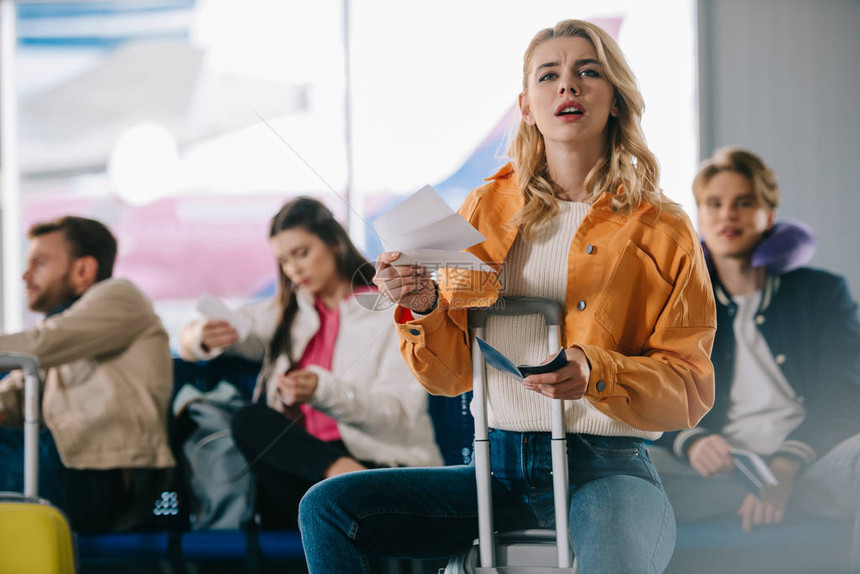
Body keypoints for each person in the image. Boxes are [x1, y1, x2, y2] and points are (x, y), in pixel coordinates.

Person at [297, 19, 716, 574]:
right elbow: (447, 378)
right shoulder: (482, 209)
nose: (568, 86)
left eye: (587, 72)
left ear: (615, 98)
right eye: (550, 76)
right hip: (497, 464)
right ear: (526, 105)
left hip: (608, 469)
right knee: (327, 509)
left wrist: (597, 371)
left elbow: (689, 389)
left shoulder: (663, 227)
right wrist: (424, 307)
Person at [650, 147, 860, 570]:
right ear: (700, 215)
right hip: (714, 466)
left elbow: (846, 392)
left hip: (811, 458)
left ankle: (780, 492)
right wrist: (689, 439)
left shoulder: (821, 293)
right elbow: (653, 385)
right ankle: (770, 497)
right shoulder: (676, 299)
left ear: (769, 213)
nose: (728, 214)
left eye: (744, 203)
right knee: (616, 461)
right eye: (715, 204)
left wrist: (786, 465)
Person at [179, 197, 443, 529]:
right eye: (284, 261)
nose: (294, 270)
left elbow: (398, 418)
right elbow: (192, 338)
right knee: (250, 421)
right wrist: (198, 336)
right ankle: (338, 478)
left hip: (379, 463)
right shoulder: (286, 314)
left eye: (301, 253)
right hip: (303, 471)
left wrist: (322, 389)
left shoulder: (389, 313)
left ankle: (345, 479)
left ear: (334, 242)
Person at [0, 216, 175, 533]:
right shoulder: (65, 328)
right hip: (62, 462)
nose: (25, 276)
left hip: (101, 477)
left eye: (39, 263)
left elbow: (41, 343)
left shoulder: (120, 297)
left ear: (83, 270)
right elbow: (13, 397)